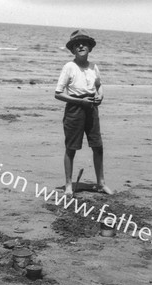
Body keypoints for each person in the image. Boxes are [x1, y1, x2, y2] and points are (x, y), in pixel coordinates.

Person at [55, 29, 113, 196]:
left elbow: (98, 85)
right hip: (75, 109)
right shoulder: (69, 67)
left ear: (89, 48)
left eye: (84, 43)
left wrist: (100, 95)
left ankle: (101, 183)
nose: (80, 46)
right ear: (73, 50)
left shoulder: (94, 67)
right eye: (76, 44)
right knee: (71, 148)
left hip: (92, 108)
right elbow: (58, 94)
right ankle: (68, 185)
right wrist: (80, 101)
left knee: (98, 146)